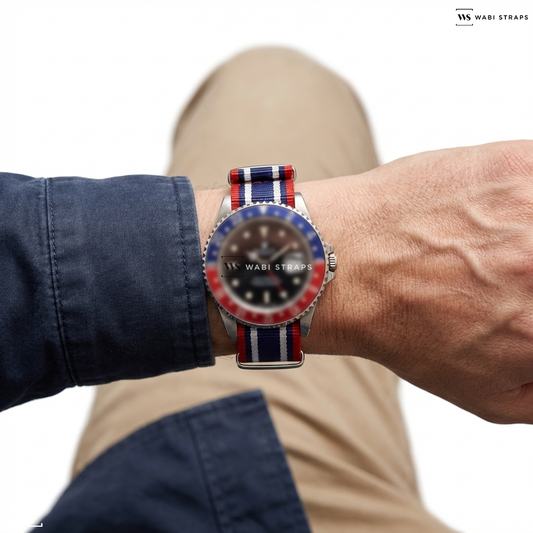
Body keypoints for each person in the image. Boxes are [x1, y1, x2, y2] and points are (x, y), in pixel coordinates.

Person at [2, 47, 533, 532]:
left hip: (153, 482)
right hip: (201, 469)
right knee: (282, 79)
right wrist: (364, 270)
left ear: (324, 268)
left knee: (268, 77)